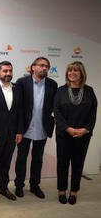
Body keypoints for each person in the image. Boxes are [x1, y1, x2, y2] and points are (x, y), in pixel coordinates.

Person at [54, 61, 97, 205]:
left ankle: (74, 192)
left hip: (83, 135)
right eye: (70, 70)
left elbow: (93, 113)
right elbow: (56, 112)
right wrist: (67, 128)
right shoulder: (60, 91)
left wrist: (86, 129)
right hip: (64, 134)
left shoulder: (89, 91)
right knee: (62, 163)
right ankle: (61, 190)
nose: (72, 73)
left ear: (82, 73)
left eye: (76, 71)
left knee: (78, 163)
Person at [14, 57, 57, 199]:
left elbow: (54, 106)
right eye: (42, 65)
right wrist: (19, 130)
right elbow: (18, 108)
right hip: (25, 129)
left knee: (38, 159)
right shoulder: (22, 83)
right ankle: (19, 185)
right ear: (33, 67)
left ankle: (34, 185)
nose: (44, 68)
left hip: (42, 128)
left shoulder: (52, 84)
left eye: (47, 66)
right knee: (21, 158)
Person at [0, 61, 23, 203]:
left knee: (6, 162)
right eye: (5, 71)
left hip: (12, 134)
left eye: (10, 71)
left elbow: (20, 111)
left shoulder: (17, 88)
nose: (8, 74)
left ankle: (3, 188)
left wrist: (19, 131)